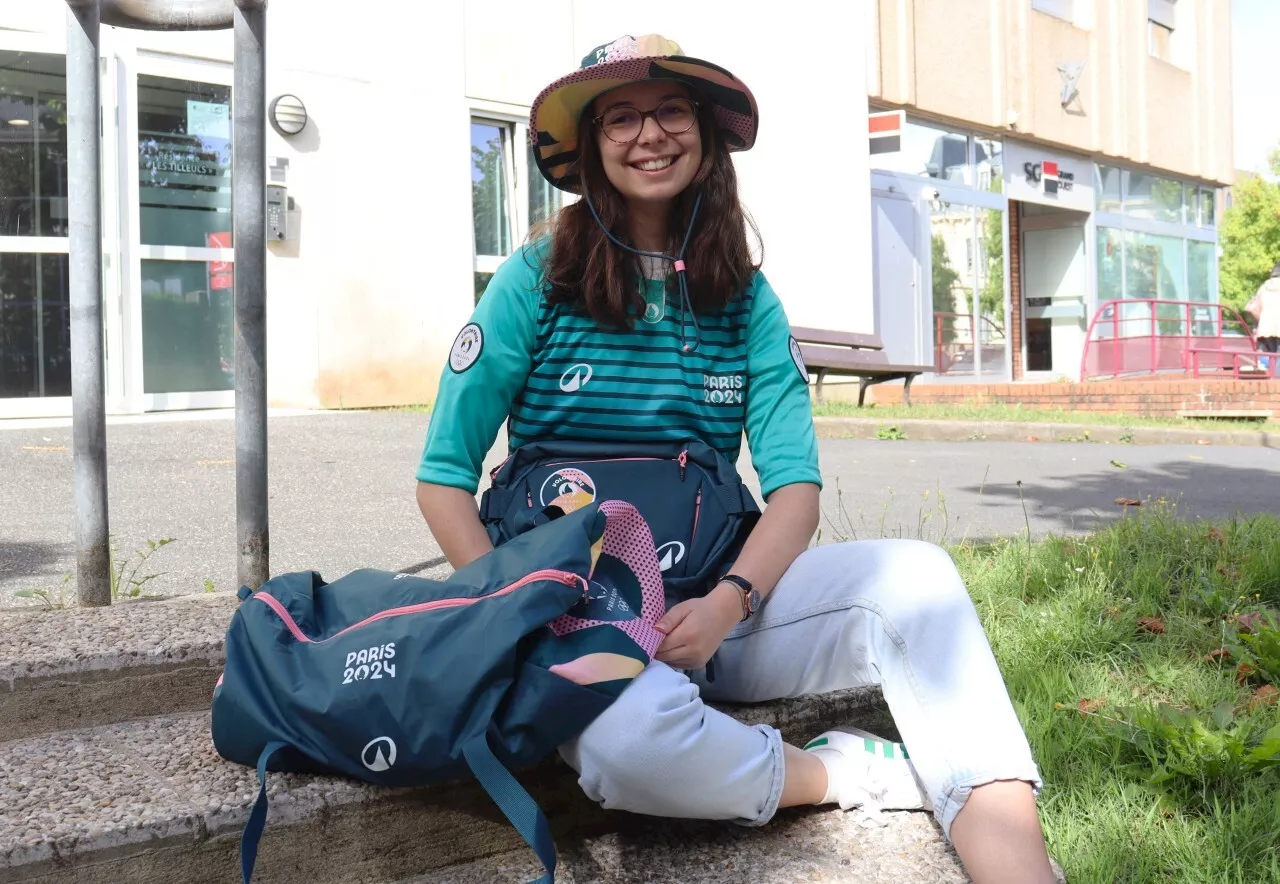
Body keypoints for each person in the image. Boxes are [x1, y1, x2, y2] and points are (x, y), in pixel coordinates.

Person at [416, 34, 1059, 884]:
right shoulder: (538, 277)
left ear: (706, 132)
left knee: (920, 581)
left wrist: (728, 603)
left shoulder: (746, 296)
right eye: (620, 117)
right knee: (628, 743)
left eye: (671, 109)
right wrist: (522, 617)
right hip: (575, 616)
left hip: (724, 602)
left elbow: (794, 490)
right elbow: (442, 481)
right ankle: (849, 773)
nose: (649, 134)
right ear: (590, 146)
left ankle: (1021, 869)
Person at [1246, 262, 1280, 370]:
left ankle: (1272, 379)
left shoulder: (1264, 286)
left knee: (1271, 355)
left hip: (1265, 326)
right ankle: (1276, 381)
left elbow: (1255, 306)